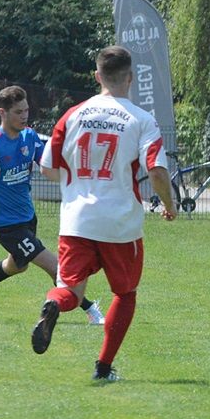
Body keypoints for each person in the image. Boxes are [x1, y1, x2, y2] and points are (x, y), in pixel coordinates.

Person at [32, 46, 177, 382]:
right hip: (120, 224)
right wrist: (169, 206)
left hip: (76, 220)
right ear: (130, 78)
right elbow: (156, 171)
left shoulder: (72, 114)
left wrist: (76, 184)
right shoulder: (142, 120)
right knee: (124, 293)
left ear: (97, 76)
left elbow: (47, 168)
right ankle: (103, 367)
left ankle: (52, 305)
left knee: (69, 290)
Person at [0, 86, 104, 325]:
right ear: (2, 112)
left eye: (26, 110)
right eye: (18, 112)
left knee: (17, 266)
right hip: (5, 224)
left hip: (28, 217)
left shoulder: (29, 137)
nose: (25, 115)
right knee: (54, 265)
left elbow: (48, 162)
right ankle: (91, 311)